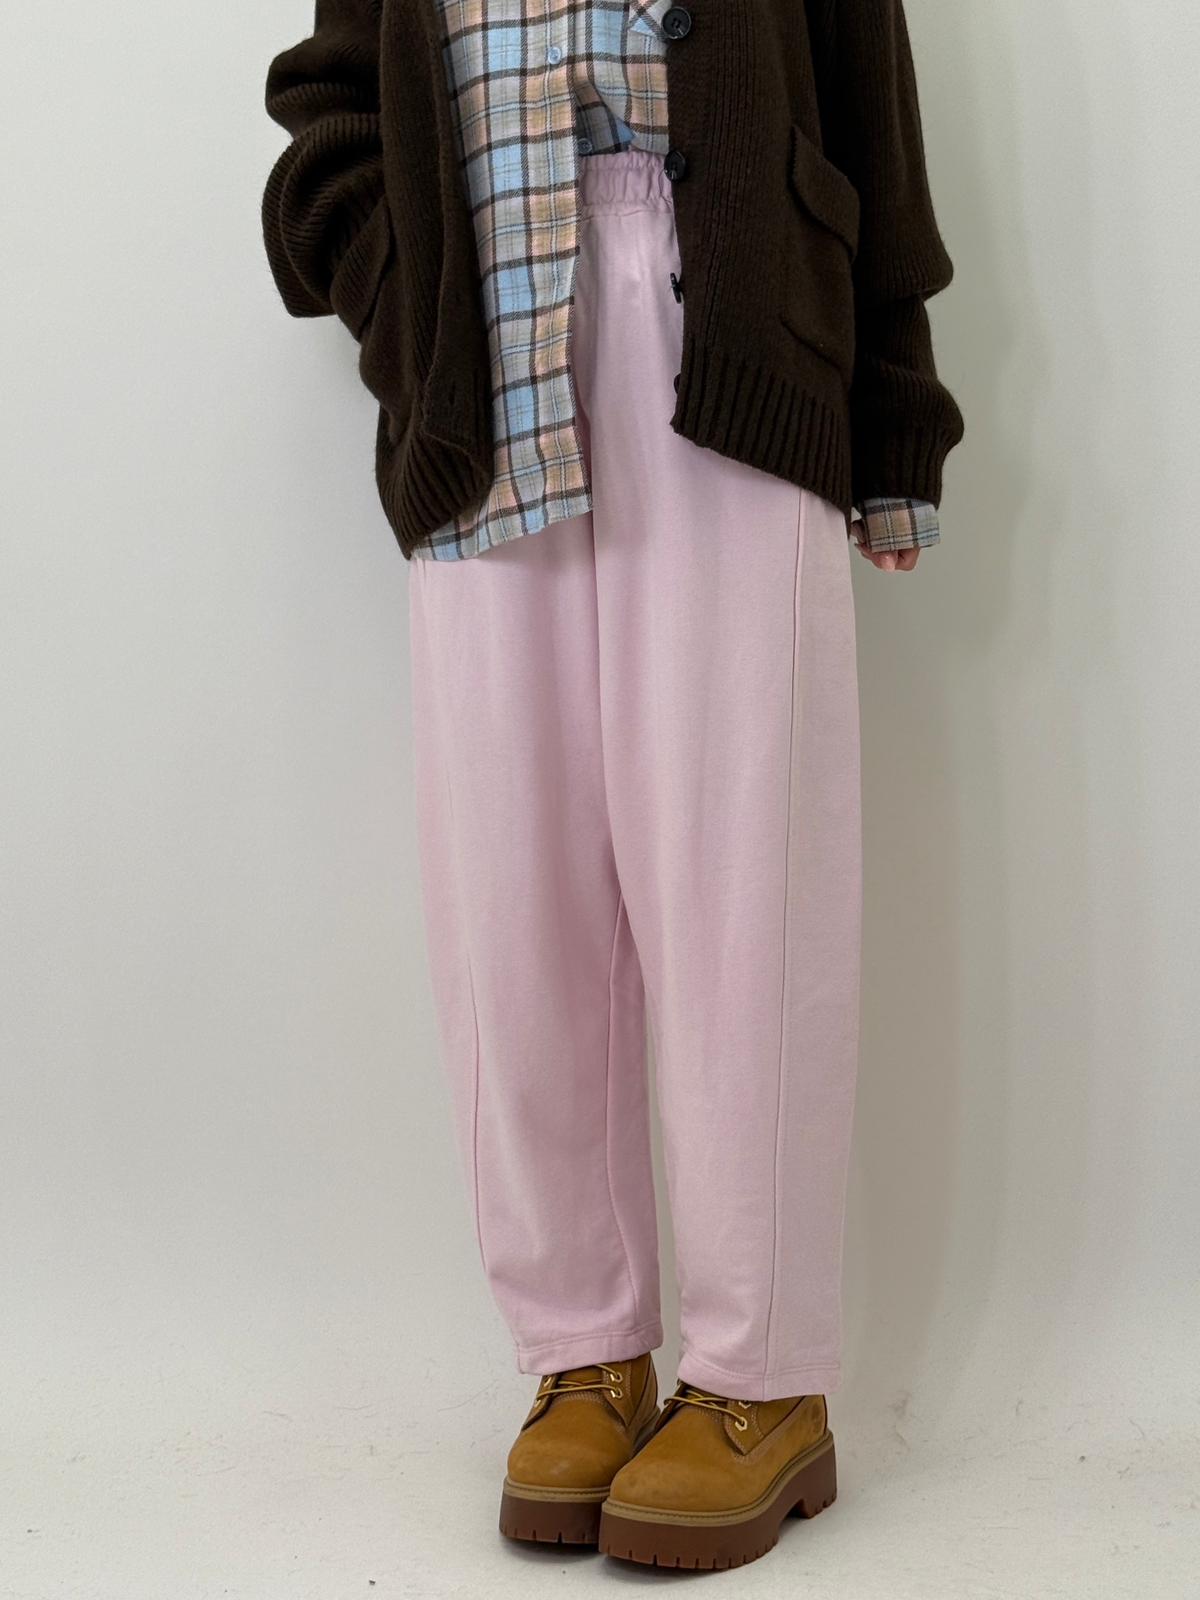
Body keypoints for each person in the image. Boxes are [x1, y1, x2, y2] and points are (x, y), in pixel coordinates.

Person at [260, 0, 963, 1571]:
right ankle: (583, 1345)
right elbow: (327, 112)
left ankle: (759, 1377)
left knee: (740, 871)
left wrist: (893, 415)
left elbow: (864, 87)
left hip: (723, 324)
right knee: (511, 897)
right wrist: (402, 297)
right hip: (479, 352)